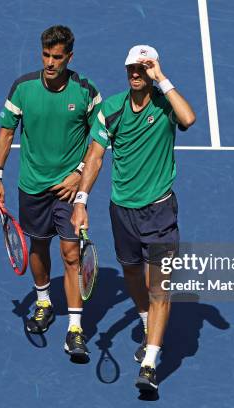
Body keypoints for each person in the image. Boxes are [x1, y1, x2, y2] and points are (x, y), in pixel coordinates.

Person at [71, 45, 196, 390]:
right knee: (130, 271)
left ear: (152, 69)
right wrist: (81, 201)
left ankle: (151, 364)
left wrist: (163, 79)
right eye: (132, 68)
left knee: (159, 289)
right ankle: (146, 322)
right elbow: (94, 157)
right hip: (121, 211)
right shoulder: (111, 109)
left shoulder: (165, 105)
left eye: (144, 68)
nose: (136, 73)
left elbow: (188, 119)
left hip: (159, 212)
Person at [0, 25, 102, 359]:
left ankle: (75, 329)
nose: (51, 63)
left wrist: (78, 175)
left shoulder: (85, 91)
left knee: (70, 254)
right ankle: (44, 302)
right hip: (32, 187)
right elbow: (6, 132)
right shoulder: (23, 88)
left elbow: (98, 141)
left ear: (70, 56)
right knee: (37, 246)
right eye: (46, 56)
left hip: (68, 190)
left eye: (58, 57)